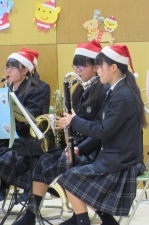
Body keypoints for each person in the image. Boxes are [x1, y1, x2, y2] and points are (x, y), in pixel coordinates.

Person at [14, 40, 109, 225]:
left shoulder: (103, 90)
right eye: (75, 65)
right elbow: (74, 120)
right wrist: (59, 123)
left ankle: (81, 217)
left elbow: (99, 131)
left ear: (96, 66)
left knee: (63, 163)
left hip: (92, 149)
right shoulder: (80, 88)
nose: (77, 69)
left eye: (82, 65)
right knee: (43, 161)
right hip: (75, 145)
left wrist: (78, 148)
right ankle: (31, 214)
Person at [57, 44, 147, 225]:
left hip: (121, 162)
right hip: (115, 157)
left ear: (113, 68)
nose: (98, 71)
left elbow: (102, 131)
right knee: (72, 177)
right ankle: (105, 221)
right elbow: (100, 127)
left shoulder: (121, 95)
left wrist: (73, 120)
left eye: (100, 66)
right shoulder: (117, 91)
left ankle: (83, 221)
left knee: (70, 179)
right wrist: (80, 149)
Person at [0, 51, 43, 201]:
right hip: (9, 138)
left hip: (25, 141)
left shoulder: (35, 90)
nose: (7, 72)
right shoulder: (8, 90)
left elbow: (29, 119)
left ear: (24, 71)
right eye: (6, 69)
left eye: (11, 68)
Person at [16, 47, 51, 203]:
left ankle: (28, 187)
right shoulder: (10, 87)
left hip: (32, 135)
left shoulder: (40, 87)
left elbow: (37, 117)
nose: (7, 71)